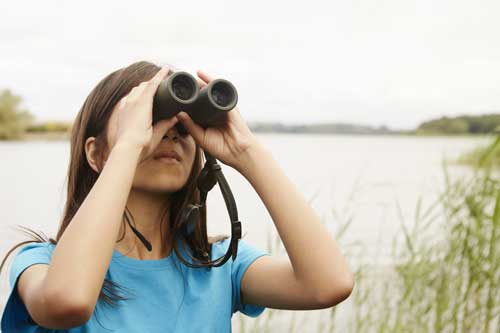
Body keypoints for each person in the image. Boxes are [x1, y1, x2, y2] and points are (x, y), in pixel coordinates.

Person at [0, 61, 354, 332]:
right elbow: (69, 301)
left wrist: (246, 152)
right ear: (96, 154)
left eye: (182, 127)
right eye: (150, 121)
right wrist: (128, 146)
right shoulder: (41, 264)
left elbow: (328, 285)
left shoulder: (218, 265)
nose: (169, 135)